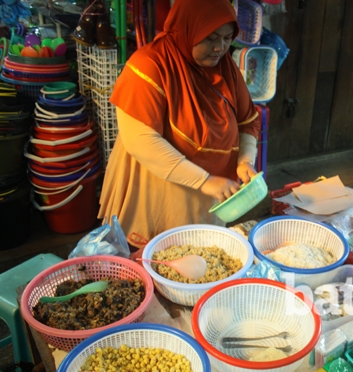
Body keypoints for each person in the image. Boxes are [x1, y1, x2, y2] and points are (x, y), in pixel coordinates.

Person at [98, 0, 261, 248]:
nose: (220, 47)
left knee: (201, 252)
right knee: (156, 254)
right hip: (158, 185)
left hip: (210, 191)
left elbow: (247, 122)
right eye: (210, 38)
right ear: (186, 28)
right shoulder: (149, 65)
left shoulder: (225, 68)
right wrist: (204, 180)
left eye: (228, 38)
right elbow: (142, 141)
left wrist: (245, 160)